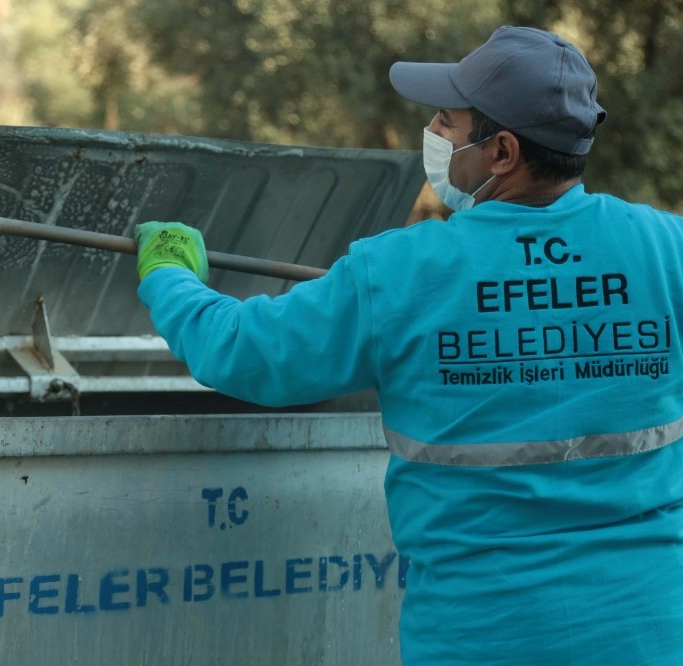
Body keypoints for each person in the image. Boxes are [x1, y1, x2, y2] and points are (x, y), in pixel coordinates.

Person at [133, 26, 683, 666]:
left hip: (482, 640)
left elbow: (239, 351)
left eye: (448, 122)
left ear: (502, 151)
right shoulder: (666, 251)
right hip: (653, 633)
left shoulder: (399, 272)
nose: (436, 133)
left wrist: (169, 275)